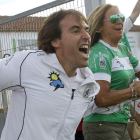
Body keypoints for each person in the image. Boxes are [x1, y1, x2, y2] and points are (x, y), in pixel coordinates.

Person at [0, 9, 100, 140]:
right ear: (55, 41)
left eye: (86, 30)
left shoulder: (88, 83)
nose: (87, 36)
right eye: (76, 31)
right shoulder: (28, 63)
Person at [82, 4, 140, 140]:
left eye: (121, 17)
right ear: (99, 27)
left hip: (122, 123)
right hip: (101, 126)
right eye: (114, 18)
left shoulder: (122, 49)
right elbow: (101, 98)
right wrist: (133, 92)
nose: (120, 21)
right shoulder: (99, 52)